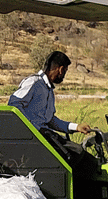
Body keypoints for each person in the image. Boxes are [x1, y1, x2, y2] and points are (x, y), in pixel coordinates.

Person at [8, 50, 98, 178]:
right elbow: (14, 106)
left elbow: (50, 120)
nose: (63, 75)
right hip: (34, 140)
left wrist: (76, 127)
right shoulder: (34, 83)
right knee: (77, 154)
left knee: (89, 161)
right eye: (65, 71)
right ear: (60, 69)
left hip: (46, 135)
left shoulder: (48, 90)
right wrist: (35, 130)